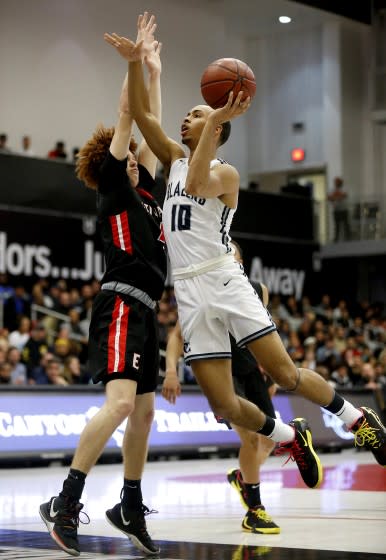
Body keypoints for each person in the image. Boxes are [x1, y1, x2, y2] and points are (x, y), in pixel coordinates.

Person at [105, 15, 385, 484]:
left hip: (222, 278)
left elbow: (195, 184)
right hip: (189, 292)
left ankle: (357, 419)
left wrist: (215, 117)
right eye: (190, 114)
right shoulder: (173, 157)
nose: (186, 118)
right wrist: (137, 65)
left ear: (215, 126)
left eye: (196, 114)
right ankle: (289, 436)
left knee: (287, 374)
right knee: (223, 404)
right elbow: (141, 111)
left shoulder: (224, 172)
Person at [39, 14, 166, 558]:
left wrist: (154, 71)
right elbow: (128, 115)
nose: (137, 153)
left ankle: (128, 504)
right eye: (130, 151)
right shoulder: (114, 186)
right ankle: (65, 502)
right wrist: (133, 69)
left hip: (147, 311)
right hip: (119, 303)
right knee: (119, 407)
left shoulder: (149, 194)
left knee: (143, 412)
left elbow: (151, 120)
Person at [163, 241, 280, 534]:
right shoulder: (202, 290)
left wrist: (273, 373)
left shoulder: (258, 290)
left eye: (234, 255)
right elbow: (177, 336)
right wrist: (170, 372)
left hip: (251, 370)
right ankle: (255, 508)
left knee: (268, 440)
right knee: (251, 439)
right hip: (222, 372)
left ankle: (244, 478)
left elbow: (261, 333)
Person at [328, 176, 351, 241]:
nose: (336, 183)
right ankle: (336, 238)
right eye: (335, 182)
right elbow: (329, 197)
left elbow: (344, 195)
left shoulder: (344, 188)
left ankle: (348, 237)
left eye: (337, 182)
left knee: (346, 224)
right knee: (337, 225)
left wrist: (336, 196)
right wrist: (337, 196)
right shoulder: (332, 190)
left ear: (340, 182)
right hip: (336, 210)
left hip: (344, 210)